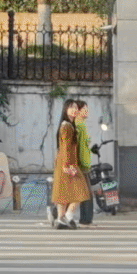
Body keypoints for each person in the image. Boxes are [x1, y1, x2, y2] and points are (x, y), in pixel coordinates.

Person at [47, 98, 91, 230]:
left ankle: (61, 221)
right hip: (68, 163)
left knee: (63, 193)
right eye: (71, 107)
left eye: (76, 108)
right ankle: (68, 216)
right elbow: (66, 147)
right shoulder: (67, 126)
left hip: (64, 162)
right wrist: (68, 166)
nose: (74, 110)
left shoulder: (69, 125)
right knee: (81, 191)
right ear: (65, 110)